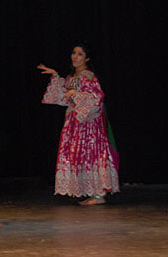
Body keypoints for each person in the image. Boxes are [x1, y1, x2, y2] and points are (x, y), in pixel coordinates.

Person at [37, 42, 119, 205]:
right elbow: (64, 96)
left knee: (91, 155)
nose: (76, 56)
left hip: (87, 124)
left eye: (80, 54)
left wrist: (76, 94)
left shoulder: (87, 76)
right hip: (75, 123)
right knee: (76, 156)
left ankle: (99, 195)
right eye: (74, 53)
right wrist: (55, 76)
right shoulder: (72, 77)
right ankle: (92, 192)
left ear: (87, 58)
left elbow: (97, 98)